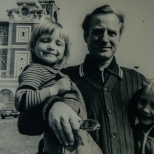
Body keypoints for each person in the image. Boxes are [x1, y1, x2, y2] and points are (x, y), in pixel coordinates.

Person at [17, 5, 146, 154]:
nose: (104, 39)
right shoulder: (61, 77)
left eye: (111, 33)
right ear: (85, 35)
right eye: (97, 31)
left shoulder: (136, 80)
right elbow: (24, 124)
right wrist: (51, 106)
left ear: (119, 38)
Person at [15, 21, 102, 154]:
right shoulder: (35, 69)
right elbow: (21, 99)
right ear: (33, 46)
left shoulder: (56, 72)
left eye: (58, 43)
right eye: (45, 40)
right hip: (62, 141)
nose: (51, 47)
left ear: (64, 52)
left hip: (76, 138)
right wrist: (53, 90)